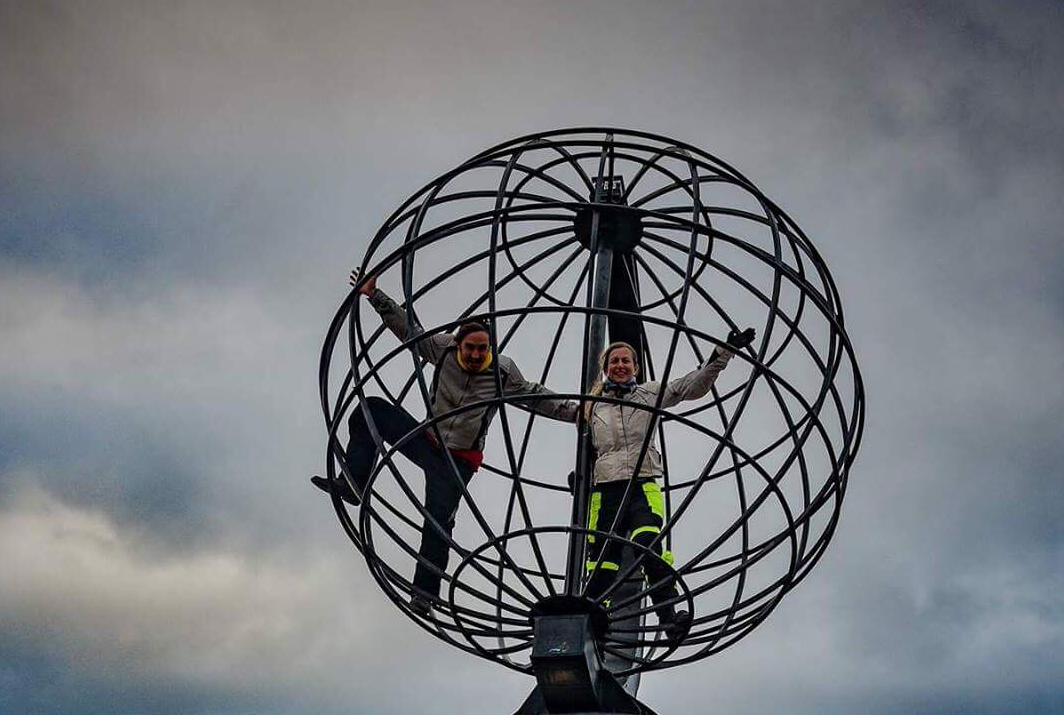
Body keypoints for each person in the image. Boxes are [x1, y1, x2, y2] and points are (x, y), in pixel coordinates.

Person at [315, 272, 572, 605]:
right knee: (370, 409)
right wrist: (375, 295)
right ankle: (353, 482)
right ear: (459, 344)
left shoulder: (502, 371)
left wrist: (578, 412)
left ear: (490, 348)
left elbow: (534, 396)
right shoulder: (444, 348)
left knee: (437, 524)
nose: (476, 355)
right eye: (470, 348)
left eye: (482, 349)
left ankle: (424, 594)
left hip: (457, 462)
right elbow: (409, 331)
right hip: (427, 440)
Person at [579, 333, 750, 644]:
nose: (620, 366)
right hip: (605, 490)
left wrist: (723, 352)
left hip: (642, 485)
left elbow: (691, 386)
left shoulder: (650, 393)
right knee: (602, 557)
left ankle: (669, 617)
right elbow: (549, 404)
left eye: (626, 361)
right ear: (605, 368)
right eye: (614, 361)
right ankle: (592, 622)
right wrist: (506, 385)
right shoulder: (592, 405)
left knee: (648, 545)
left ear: (636, 367)